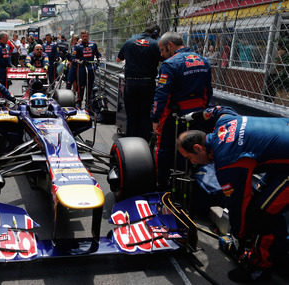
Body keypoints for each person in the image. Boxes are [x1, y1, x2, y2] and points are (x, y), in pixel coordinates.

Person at [177, 110, 289, 283]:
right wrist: (197, 115)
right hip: (284, 147)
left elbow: (239, 204)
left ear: (198, 148)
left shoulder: (226, 161)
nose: (192, 162)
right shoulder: (225, 121)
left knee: (261, 213)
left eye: (190, 157)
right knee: (264, 199)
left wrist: (239, 236)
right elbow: (217, 110)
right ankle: (280, 251)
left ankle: (259, 269)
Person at [151, 31, 212, 189]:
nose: (162, 55)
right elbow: (208, 92)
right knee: (194, 148)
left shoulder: (170, 64)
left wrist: (155, 119)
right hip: (198, 115)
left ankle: (162, 185)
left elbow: (161, 95)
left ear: (170, 46)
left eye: (163, 51)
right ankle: (192, 184)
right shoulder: (203, 61)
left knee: (164, 149)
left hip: (175, 116)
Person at [116, 24, 160, 141]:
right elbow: (163, 59)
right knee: (145, 115)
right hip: (147, 83)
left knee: (131, 115)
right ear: (155, 35)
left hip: (131, 83)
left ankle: (130, 143)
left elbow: (118, 59)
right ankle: (144, 143)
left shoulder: (129, 42)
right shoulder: (155, 44)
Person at [70, 30, 101, 106]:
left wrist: (98, 61)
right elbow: (73, 58)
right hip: (81, 68)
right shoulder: (77, 46)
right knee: (81, 85)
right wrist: (79, 61)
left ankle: (88, 102)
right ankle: (79, 101)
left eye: (86, 36)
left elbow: (98, 55)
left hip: (91, 68)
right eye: (83, 36)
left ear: (88, 36)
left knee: (90, 85)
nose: (85, 38)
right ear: (81, 37)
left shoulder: (93, 45)